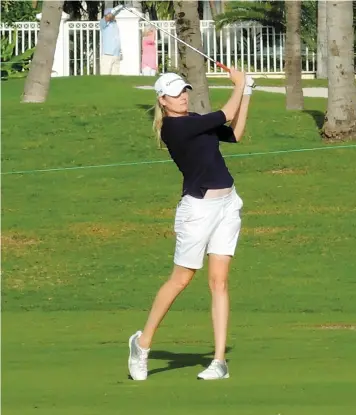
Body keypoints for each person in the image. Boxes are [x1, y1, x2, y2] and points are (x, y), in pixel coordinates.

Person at [127, 69, 255, 381]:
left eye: (184, 90)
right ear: (163, 100)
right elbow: (225, 113)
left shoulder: (196, 119)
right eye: (175, 93)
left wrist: (247, 91)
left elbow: (234, 133)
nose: (182, 96)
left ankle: (219, 362)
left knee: (219, 283)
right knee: (181, 279)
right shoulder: (175, 128)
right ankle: (142, 345)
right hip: (198, 210)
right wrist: (239, 85)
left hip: (227, 205)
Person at [99, 6, 122, 75]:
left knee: (115, 79)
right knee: (105, 77)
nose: (114, 15)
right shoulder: (103, 22)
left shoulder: (115, 24)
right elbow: (107, 18)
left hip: (116, 55)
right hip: (107, 55)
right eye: (112, 14)